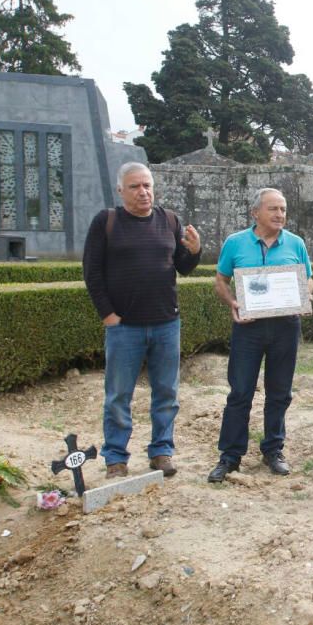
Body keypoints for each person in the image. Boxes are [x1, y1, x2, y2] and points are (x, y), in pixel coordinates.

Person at [83, 162, 202, 479]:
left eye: (147, 185)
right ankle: (116, 457)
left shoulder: (169, 220)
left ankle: (161, 452)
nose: (143, 192)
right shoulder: (106, 222)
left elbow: (183, 267)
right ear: (121, 190)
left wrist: (195, 251)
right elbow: (92, 273)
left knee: (166, 393)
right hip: (124, 328)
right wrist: (108, 315)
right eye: (135, 186)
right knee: (119, 396)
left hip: (166, 324)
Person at [208, 188, 313, 483]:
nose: (280, 214)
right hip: (248, 329)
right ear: (256, 212)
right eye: (274, 209)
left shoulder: (296, 243)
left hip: (285, 327)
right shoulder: (235, 243)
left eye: (283, 209)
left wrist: (306, 298)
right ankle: (230, 456)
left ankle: (273, 450)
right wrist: (232, 303)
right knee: (240, 392)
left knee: (280, 393)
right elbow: (220, 280)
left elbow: (308, 279)